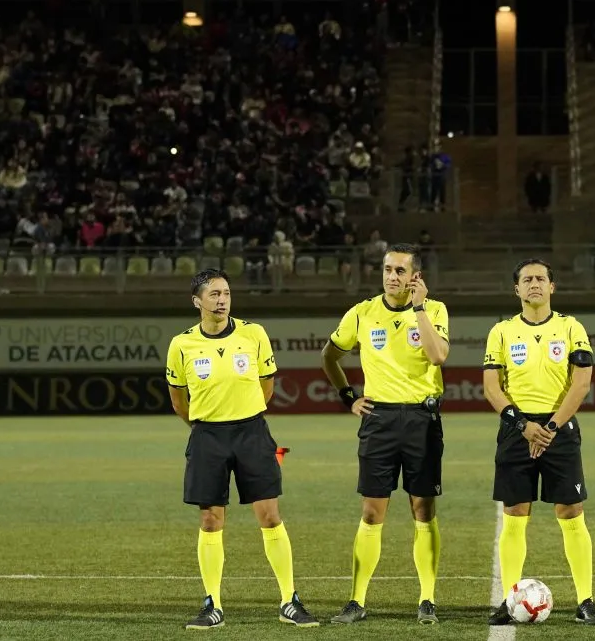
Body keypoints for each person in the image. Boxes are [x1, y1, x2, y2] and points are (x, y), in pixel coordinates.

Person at [165, 269, 319, 630]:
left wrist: (241, 417)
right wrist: (207, 426)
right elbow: (178, 400)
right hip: (207, 437)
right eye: (214, 294)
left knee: (269, 515)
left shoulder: (254, 334)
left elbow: (267, 387)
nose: (222, 299)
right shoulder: (181, 344)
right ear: (197, 302)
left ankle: (289, 600)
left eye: (226, 293)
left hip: (252, 433)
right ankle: (212, 604)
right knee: (210, 519)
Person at [320, 243, 449, 625]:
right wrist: (348, 397)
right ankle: (357, 600)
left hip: (422, 420)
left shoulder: (435, 310)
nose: (392, 276)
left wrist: (420, 308)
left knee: (422, 509)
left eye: (400, 271)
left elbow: (438, 356)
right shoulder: (362, 313)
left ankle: (427, 599)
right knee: (372, 512)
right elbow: (330, 355)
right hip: (378, 421)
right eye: (388, 269)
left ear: (416, 277)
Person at [483, 258, 595, 626]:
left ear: (552, 287)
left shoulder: (571, 328)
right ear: (516, 289)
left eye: (541, 278)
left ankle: (585, 600)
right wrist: (522, 425)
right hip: (516, 432)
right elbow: (492, 387)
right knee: (515, 514)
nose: (534, 284)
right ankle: (509, 599)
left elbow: (581, 383)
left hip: (560, 431)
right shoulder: (501, 332)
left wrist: (550, 427)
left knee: (570, 512)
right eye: (527, 279)